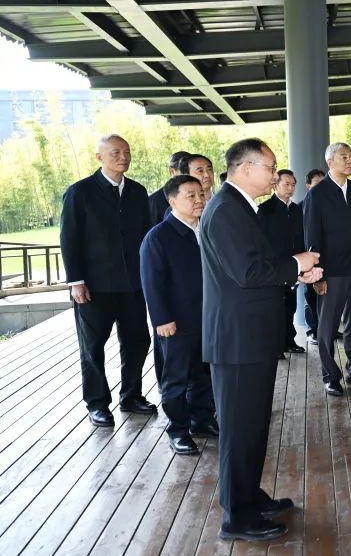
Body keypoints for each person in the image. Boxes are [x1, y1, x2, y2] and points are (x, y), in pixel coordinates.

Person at [200, 138, 321, 541]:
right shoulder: (225, 210)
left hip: (250, 336)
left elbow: (258, 265)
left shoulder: (239, 207)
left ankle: (247, 496)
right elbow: (247, 273)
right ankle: (237, 517)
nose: (274, 174)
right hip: (238, 340)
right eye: (270, 167)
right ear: (246, 168)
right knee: (239, 430)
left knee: (251, 426)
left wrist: (296, 272)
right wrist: (296, 263)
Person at [60, 134, 155, 427]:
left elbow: (147, 236)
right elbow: (69, 239)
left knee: (138, 341)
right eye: (115, 152)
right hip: (94, 286)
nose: (123, 157)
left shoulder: (138, 191)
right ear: (99, 157)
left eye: (126, 152)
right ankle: (97, 403)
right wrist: (76, 281)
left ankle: (131, 395)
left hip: (133, 285)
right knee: (92, 347)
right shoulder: (79, 192)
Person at [139, 174, 217, 455]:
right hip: (175, 323)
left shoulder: (206, 230)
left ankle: (202, 420)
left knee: (204, 374)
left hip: (207, 318)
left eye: (200, 194)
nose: (198, 200)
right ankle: (178, 430)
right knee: (176, 380)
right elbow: (152, 282)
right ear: (172, 202)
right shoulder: (158, 237)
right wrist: (161, 319)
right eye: (190, 196)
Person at [303, 144, 351, 398]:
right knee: (327, 327)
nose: (350, 160)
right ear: (330, 162)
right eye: (344, 157)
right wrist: (317, 274)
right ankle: (330, 376)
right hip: (330, 271)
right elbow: (312, 236)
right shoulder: (317, 194)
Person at [259, 170, 307, 356]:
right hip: (274, 266)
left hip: (294, 264)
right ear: (275, 186)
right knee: (275, 307)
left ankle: (289, 340)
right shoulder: (265, 210)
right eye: (286, 184)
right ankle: (276, 345)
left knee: (291, 305)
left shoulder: (297, 209)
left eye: (293, 184)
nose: (290, 188)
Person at [302, 168, 326, 346]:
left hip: (326, 261)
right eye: (317, 183)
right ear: (308, 186)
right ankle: (313, 330)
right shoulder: (301, 206)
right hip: (307, 262)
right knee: (311, 298)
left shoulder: (329, 205)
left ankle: (326, 330)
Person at [148, 150, 190, 223]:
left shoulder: (199, 196)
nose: (191, 176)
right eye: (185, 171)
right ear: (172, 171)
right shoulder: (154, 201)